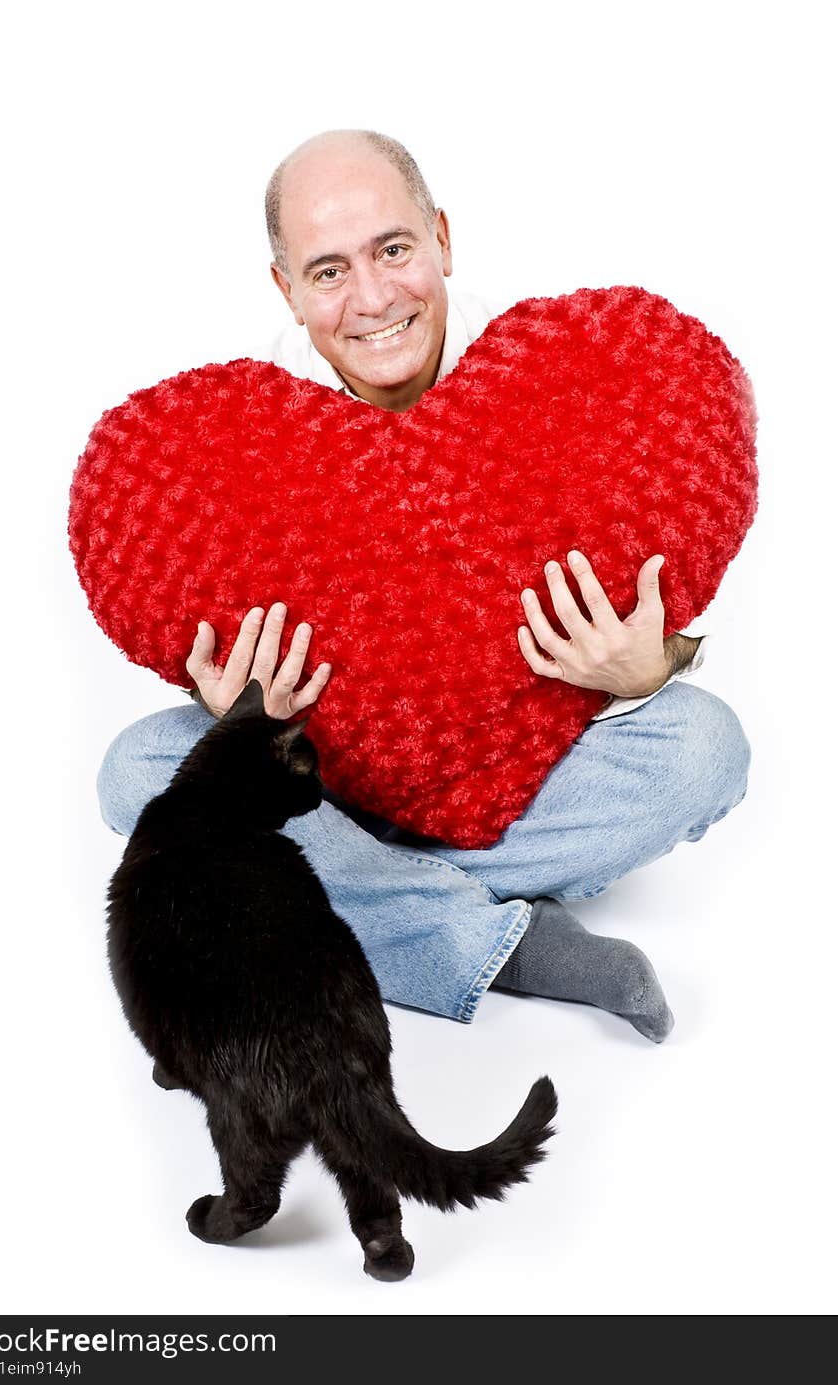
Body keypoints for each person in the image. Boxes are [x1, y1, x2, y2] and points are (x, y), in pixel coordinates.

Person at [96, 129, 750, 1042]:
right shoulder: (247, 435)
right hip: (324, 780)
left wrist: (645, 670)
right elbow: (207, 621)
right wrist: (233, 713)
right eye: (327, 272)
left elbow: (670, 578)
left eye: (393, 250)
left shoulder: (556, 378)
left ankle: (355, 898)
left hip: (510, 776)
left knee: (704, 748)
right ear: (287, 288)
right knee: (137, 771)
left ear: (442, 237)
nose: (371, 299)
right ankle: (502, 943)